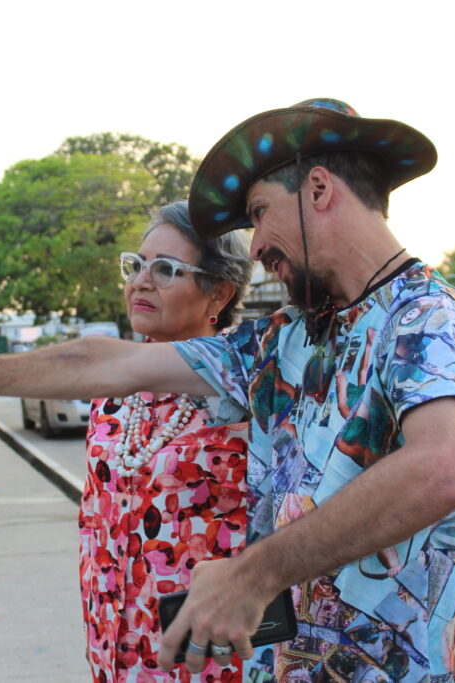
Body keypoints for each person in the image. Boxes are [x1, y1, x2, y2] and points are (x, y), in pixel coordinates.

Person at [0, 99, 455, 680]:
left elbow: (442, 466)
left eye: (262, 213)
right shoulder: (280, 342)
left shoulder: (430, 319)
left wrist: (253, 572)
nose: (258, 241)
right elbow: (105, 364)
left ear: (319, 188)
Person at [80, 201, 257, 681]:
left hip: (205, 657)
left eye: (165, 269)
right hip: (113, 644)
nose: (140, 281)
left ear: (218, 293)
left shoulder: (250, 392)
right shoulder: (111, 392)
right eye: (135, 265)